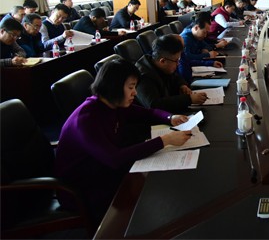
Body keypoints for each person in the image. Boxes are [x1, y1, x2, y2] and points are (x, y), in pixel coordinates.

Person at [54, 58, 192, 225]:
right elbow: (114, 158)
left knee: (160, 183)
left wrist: (170, 118)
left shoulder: (113, 104)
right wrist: (164, 140)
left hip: (103, 171)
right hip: (82, 188)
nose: (135, 93)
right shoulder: (86, 119)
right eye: (131, 87)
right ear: (115, 87)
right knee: (153, 196)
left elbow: (148, 113)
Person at [135, 34, 208, 113]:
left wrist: (182, 85)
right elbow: (154, 104)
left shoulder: (163, 65)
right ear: (162, 61)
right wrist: (189, 99)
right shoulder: (143, 75)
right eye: (176, 60)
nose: (178, 64)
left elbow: (175, 76)